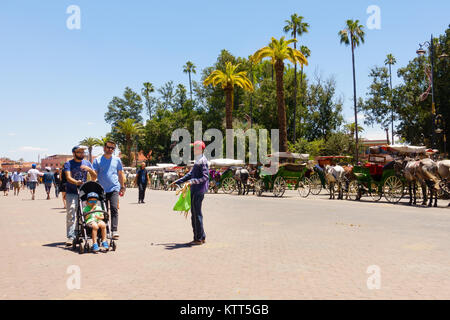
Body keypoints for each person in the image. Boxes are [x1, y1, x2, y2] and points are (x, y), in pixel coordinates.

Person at [171, 141, 209, 245]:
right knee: (196, 214)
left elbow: (205, 177)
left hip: (199, 190)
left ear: (200, 149)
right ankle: (201, 236)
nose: (193, 149)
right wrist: (178, 181)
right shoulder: (198, 160)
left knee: (196, 214)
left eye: (195, 147)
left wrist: (192, 182)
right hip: (195, 189)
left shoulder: (202, 160)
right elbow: (191, 174)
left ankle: (198, 238)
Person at [64, 146, 97, 246]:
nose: (82, 154)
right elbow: (68, 177)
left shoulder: (87, 163)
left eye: (83, 152)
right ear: (74, 153)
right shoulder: (68, 164)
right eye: (80, 152)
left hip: (84, 192)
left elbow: (94, 177)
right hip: (71, 192)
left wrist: (89, 170)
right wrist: (76, 182)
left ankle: (79, 234)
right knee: (71, 213)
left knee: (82, 213)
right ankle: (70, 236)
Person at [93, 140, 125, 240]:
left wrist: (122, 186)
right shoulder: (97, 160)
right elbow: (94, 175)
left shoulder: (117, 160)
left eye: (112, 148)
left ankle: (114, 230)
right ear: (104, 147)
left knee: (114, 208)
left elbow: (120, 174)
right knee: (104, 211)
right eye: (108, 147)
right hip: (101, 189)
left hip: (114, 188)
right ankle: (105, 230)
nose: (110, 149)